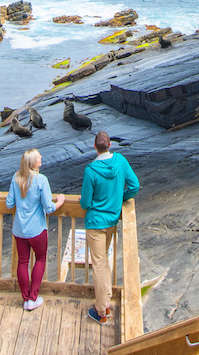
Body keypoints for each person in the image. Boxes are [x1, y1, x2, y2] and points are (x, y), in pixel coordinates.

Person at [80, 130, 140, 325]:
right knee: (103, 261)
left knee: (98, 265)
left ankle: (101, 311)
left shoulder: (91, 170)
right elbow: (135, 185)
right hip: (112, 221)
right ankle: (105, 301)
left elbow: (85, 203)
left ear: (95, 147)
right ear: (110, 145)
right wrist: (121, 198)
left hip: (95, 223)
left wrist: (87, 201)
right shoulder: (120, 161)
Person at [6, 148, 66, 311]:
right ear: (33, 163)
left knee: (23, 262)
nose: (41, 156)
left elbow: (9, 204)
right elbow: (49, 207)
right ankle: (33, 297)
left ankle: (25, 299)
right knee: (40, 258)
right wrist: (59, 202)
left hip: (19, 229)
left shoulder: (16, 177)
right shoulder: (41, 180)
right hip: (37, 229)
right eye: (39, 156)